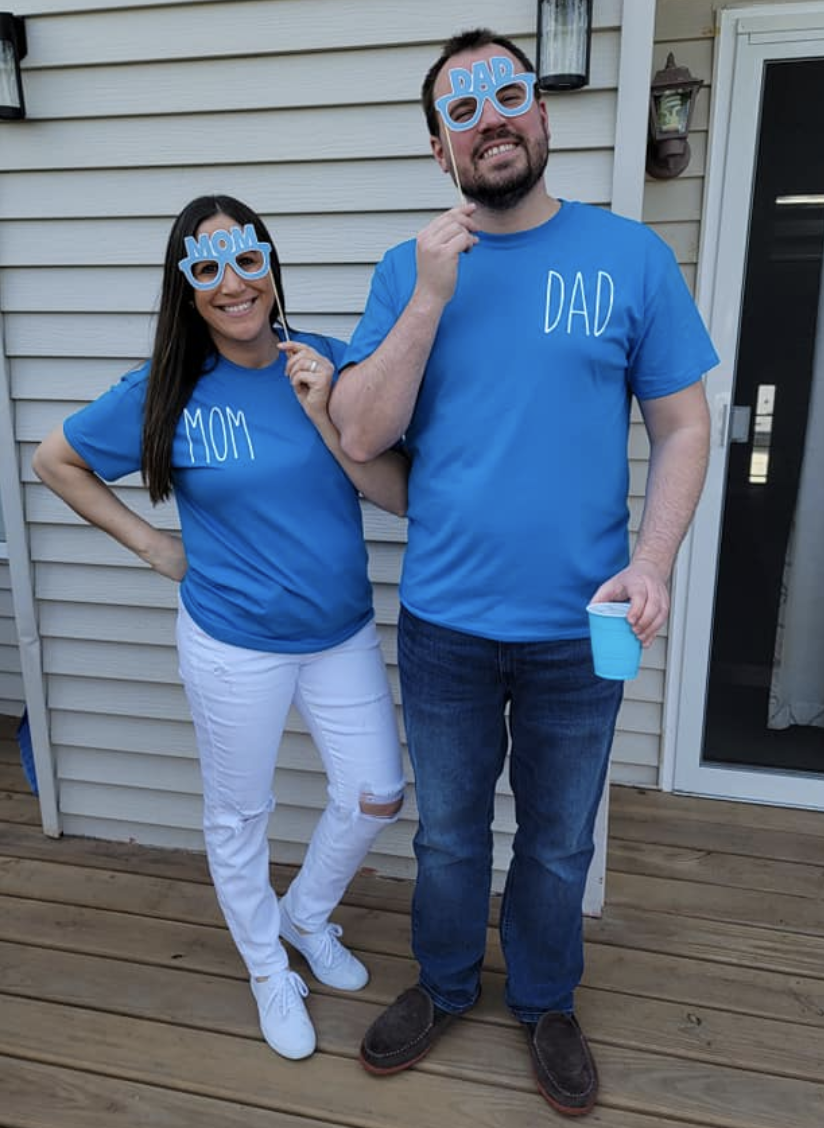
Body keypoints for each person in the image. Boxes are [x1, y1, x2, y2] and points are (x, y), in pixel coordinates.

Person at [329, 28, 718, 1118]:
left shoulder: (628, 258)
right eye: (464, 108)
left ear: (542, 116)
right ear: (438, 149)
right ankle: (447, 986)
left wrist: (650, 561)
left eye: (509, 94)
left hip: (576, 627)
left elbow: (683, 427)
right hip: (446, 622)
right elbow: (360, 433)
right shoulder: (410, 270)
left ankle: (546, 999)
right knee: (450, 833)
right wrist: (427, 298)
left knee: (556, 838)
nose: (491, 117)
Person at [32, 194, 409, 1063]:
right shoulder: (167, 392)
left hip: (339, 632)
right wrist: (154, 546)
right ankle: (265, 967)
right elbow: (56, 460)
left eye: (247, 261)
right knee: (239, 815)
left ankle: (305, 917)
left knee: (376, 792)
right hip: (233, 641)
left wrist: (323, 408)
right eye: (207, 269)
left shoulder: (330, 364)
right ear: (187, 289)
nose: (233, 284)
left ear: (271, 266)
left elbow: (400, 492)